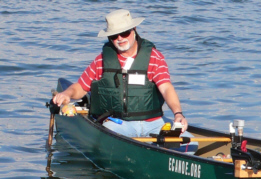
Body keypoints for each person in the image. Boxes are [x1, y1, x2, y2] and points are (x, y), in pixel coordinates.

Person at [52, 9, 188, 138]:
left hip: (154, 123)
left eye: (125, 33)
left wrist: (178, 114)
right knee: (108, 135)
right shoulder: (102, 60)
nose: (120, 38)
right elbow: (81, 87)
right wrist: (67, 94)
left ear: (134, 30)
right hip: (119, 124)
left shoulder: (155, 57)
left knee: (190, 144)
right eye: (114, 35)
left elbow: (166, 88)